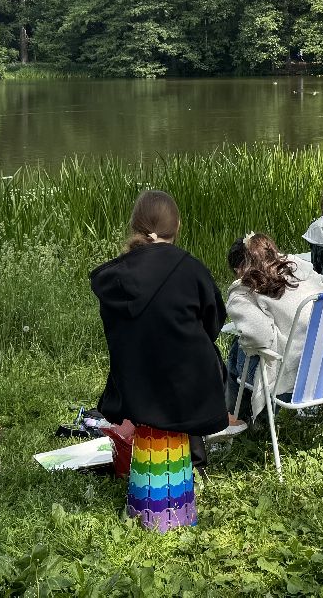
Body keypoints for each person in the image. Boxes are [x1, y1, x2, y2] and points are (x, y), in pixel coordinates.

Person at [90, 190, 228, 533]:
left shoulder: (114, 278)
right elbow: (215, 322)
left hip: (135, 389)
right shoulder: (190, 268)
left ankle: (146, 502)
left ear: (135, 226)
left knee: (153, 364)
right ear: (177, 226)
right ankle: (182, 487)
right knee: (198, 358)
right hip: (189, 388)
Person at [224, 232, 323, 421]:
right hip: (321, 368)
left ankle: (237, 420)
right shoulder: (308, 275)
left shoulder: (243, 293)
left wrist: (246, 342)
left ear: (240, 269)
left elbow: (262, 337)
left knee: (236, 351)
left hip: (287, 377)